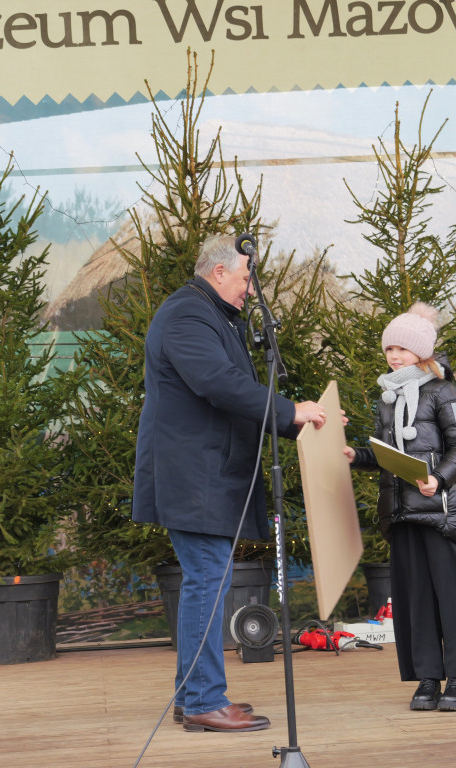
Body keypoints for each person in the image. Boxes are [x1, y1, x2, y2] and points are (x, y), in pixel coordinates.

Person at [132, 233, 327, 733]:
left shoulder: (210, 315)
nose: (250, 290)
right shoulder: (187, 315)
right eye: (245, 278)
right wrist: (288, 412)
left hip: (202, 473)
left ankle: (193, 694)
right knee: (207, 581)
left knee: (207, 580)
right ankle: (201, 701)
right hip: (193, 475)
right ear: (218, 272)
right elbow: (218, 382)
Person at [343, 302, 456, 711]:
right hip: (401, 512)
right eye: (389, 348)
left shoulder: (444, 390)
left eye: (402, 348)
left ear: (422, 351)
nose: (393, 355)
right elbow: (382, 452)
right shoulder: (387, 398)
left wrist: (439, 479)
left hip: (438, 511)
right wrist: (355, 455)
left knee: (450, 594)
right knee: (414, 599)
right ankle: (428, 678)